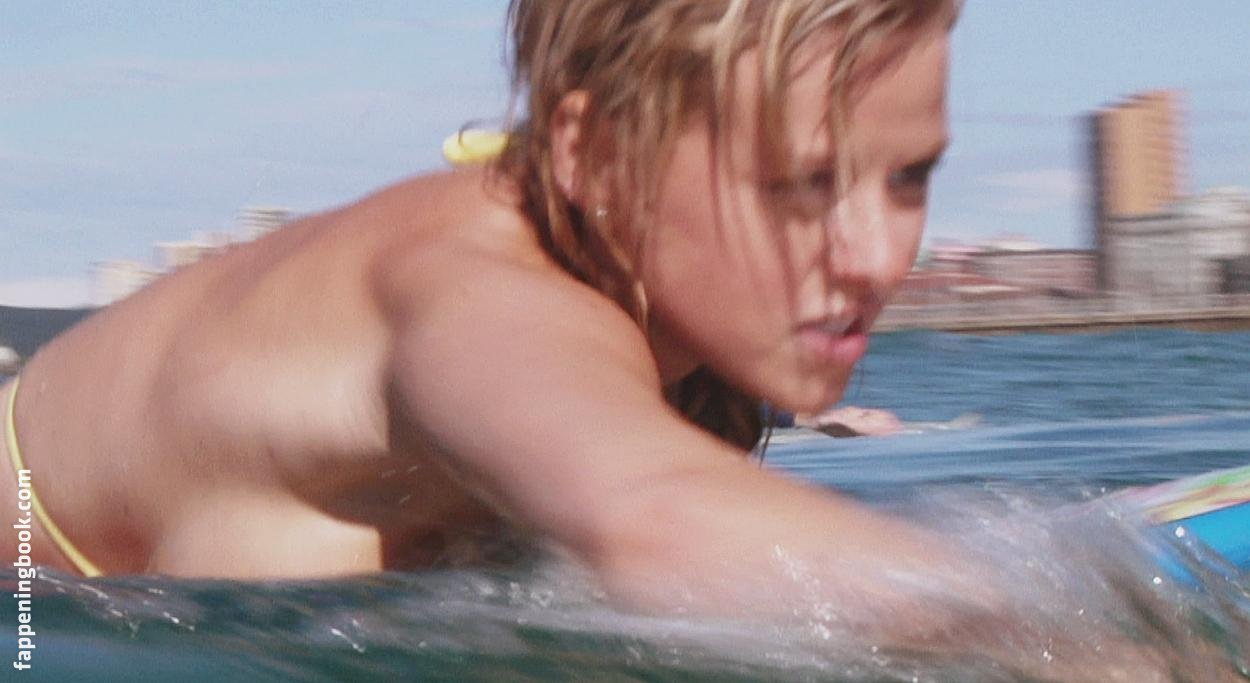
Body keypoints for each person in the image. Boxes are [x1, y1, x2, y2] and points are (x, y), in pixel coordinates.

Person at [3, 0, 967, 626]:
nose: (879, 256)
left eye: (911, 176)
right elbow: (658, 516)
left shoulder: (670, 330)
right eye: (800, 183)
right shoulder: (484, 297)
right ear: (592, 155)